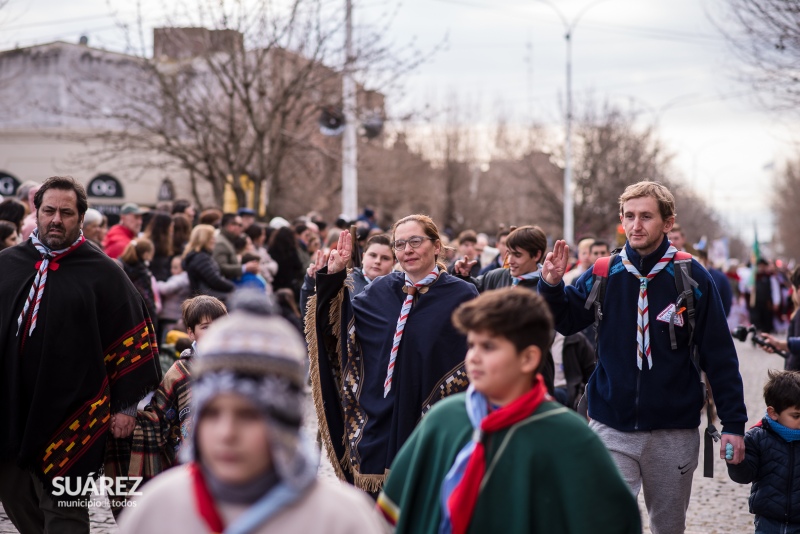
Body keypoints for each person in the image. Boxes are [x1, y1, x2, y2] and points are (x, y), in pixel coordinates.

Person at [537, 180, 747, 534]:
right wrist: (552, 285)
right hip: (610, 423)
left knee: (667, 526)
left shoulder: (692, 276)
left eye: (646, 216)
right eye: (629, 216)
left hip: (673, 429)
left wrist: (734, 425)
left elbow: (720, 355)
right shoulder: (605, 272)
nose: (636, 225)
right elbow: (567, 320)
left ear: (667, 222)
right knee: (605, 520)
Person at [377, 288, 641, 534]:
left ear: (528, 358)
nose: (474, 357)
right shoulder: (444, 418)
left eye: (489, 347)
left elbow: (612, 520)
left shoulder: (570, 437)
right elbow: (396, 509)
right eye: (471, 345)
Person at [118, 291, 386, 534]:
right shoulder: (158, 508)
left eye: (248, 416)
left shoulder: (341, 518)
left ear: (284, 421)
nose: (226, 433)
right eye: (211, 414)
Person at [0, 176, 161, 533]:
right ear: (36, 212)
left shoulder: (104, 273)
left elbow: (133, 338)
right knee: (15, 496)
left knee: (65, 511)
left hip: (75, 418)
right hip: (11, 408)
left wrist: (125, 407)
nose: (56, 219)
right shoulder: (7, 265)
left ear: (81, 218)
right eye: (49, 211)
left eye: (66, 212)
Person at [308, 215, 478, 494]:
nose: (407, 250)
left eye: (415, 241)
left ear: (436, 246)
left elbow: (472, 359)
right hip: (379, 419)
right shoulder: (381, 290)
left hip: (430, 421)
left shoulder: (462, 295)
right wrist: (334, 278)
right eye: (400, 244)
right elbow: (337, 328)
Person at [105, 295, 228, 509]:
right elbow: (159, 415)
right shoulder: (180, 372)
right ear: (191, 332)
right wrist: (127, 420)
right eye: (206, 327)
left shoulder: (237, 366)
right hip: (188, 465)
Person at [452, 225, 557, 394]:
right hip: (494, 374)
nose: (511, 260)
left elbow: (548, 333)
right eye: (509, 253)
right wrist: (463, 276)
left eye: (518, 255)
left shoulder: (547, 287)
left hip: (529, 377)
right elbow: (472, 293)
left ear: (537, 255)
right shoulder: (498, 276)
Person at [727, 370, 800, 533]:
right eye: (796, 416)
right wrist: (736, 462)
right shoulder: (757, 438)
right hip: (768, 521)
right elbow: (744, 476)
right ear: (773, 413)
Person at [299, 233, 395, 314]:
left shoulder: (399, 288)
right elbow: (312, 316)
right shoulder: (344, 284)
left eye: (385, 258)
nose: (377, 261)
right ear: (363, 257)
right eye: (373, 255)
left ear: (394, 262)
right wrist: (312, 282)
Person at [183, 224, 236, 301]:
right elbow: (214, 280)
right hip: (206, 301)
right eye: (211, 237)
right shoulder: (201, 258)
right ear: (203, 239)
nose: (214, 240)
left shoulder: (199, 256)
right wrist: (233, 287)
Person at [119, 238, 160, 333]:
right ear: (146, 254)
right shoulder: (142, 273)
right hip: (141, 318)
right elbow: (147, 299)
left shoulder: (121, 267)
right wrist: (153, 321)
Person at [213, 212, 260, 283]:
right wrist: (245, 268)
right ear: (230, 226)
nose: (242, 228)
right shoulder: (221, 243)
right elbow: (220, 267)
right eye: (240, 225)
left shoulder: (227, 240)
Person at [156, 255, 191, 344]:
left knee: (168, 343)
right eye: (171, 267)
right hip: (171, 316)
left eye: (175, 267)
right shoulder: (182, 278)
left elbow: (165, 289)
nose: (172, 270)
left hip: (172, 317)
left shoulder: (182, 278)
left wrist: (154, 283)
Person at [143, 211, 174, 282]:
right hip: (155, 282)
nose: (172, 228)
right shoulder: (151, 243)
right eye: (171, 225)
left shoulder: (165, 242)